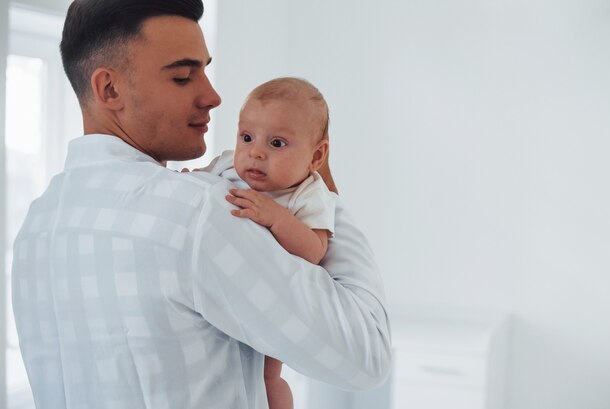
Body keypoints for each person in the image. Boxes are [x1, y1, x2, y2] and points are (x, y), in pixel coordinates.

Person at [11, 1, 392, 409]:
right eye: (182, 77)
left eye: (206, 71)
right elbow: (365, 354)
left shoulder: (36, 225)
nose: (212, 97)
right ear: (110, 89)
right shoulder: (201, 212)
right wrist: (315, 183)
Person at [203, 77, 335, 409]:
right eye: (246, 137)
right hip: (225, 290)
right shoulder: (225, 167)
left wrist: (277, 217)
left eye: (276, 143)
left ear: (316, 156)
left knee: (266, 377)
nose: (256, 152)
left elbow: (314, 249)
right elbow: (198, 185)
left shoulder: (307, 193)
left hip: (271, 300)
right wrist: (189, 177)